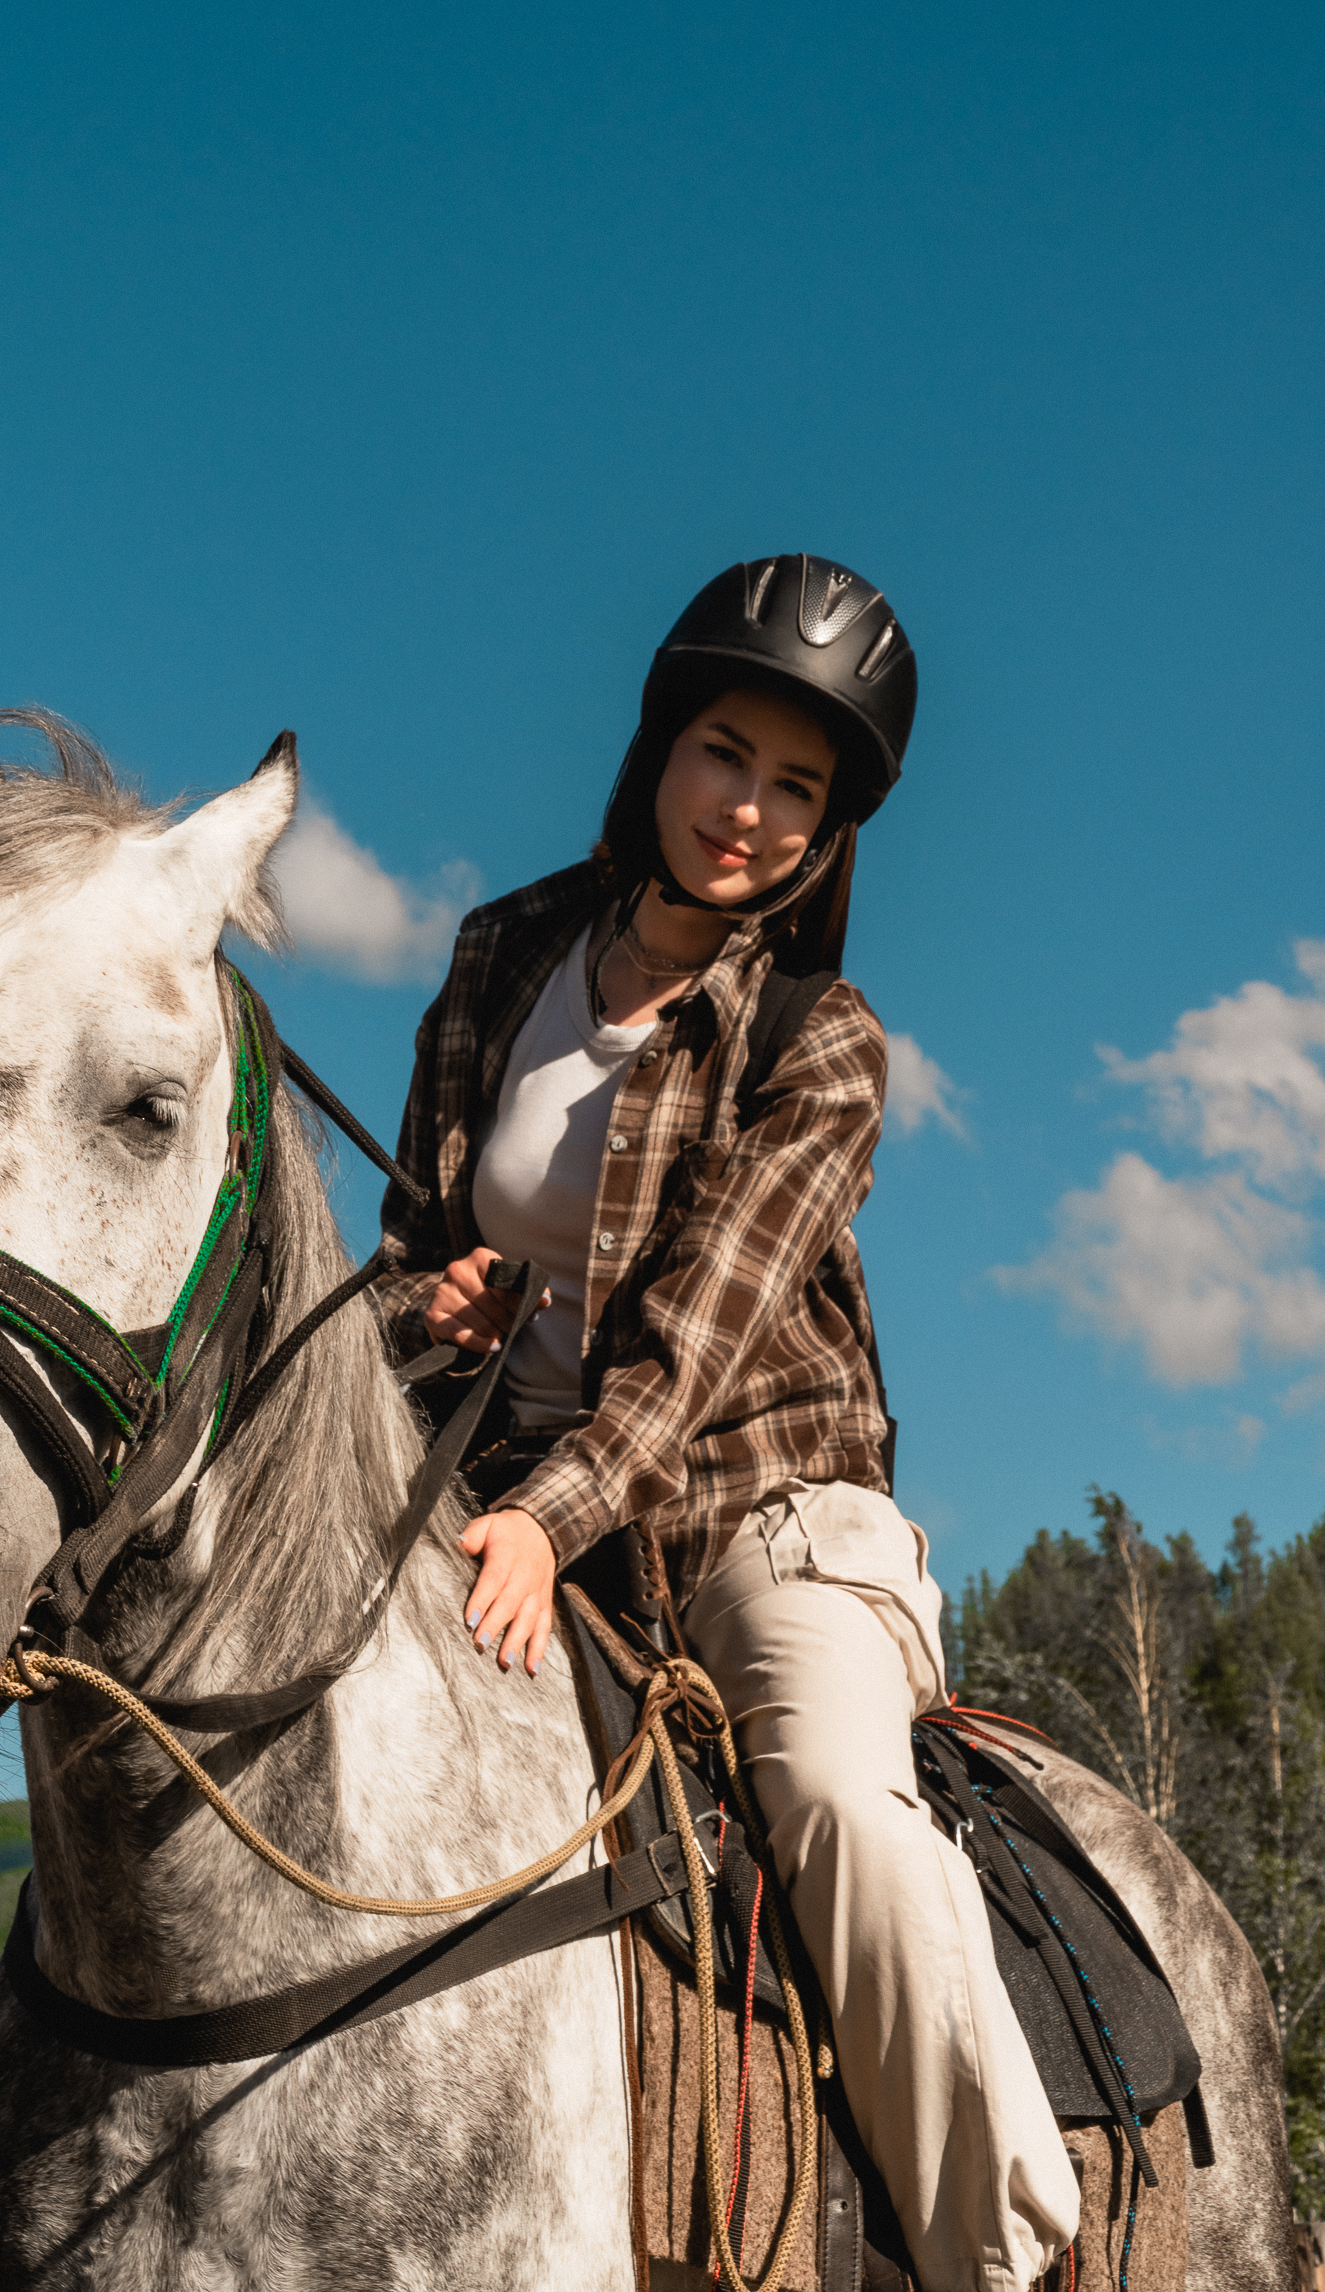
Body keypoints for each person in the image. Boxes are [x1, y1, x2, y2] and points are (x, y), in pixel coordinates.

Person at [373, 555, 1079, 2292]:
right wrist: (436, 1308)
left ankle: (1011, 2255)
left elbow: (693, 1342)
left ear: (833, 830)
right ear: (658, 748)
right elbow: (403, 1241)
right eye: (724, 754)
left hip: (758, 1524)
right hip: (500, 1507)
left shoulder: (821, 1043)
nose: (748, 810)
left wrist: (553, 1512)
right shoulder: (500, 954)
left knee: (837, 1803)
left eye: (799, 787)